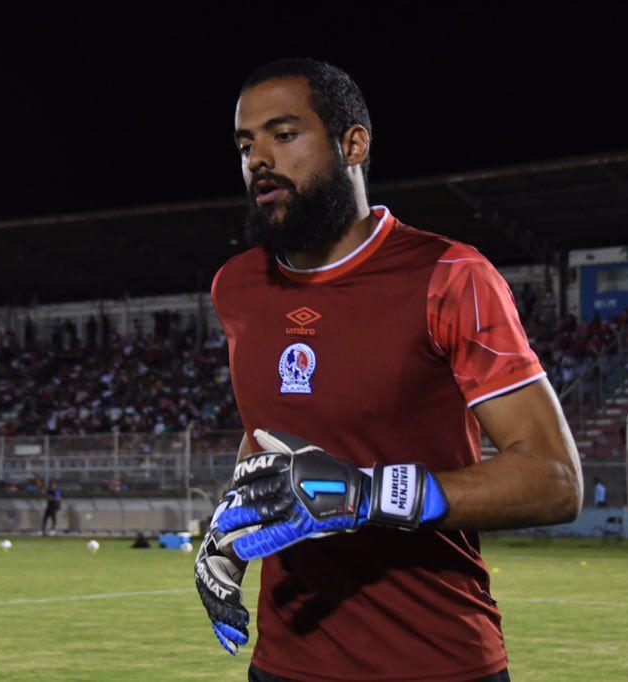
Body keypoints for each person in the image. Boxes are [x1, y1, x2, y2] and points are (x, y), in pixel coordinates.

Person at [195, 59, 582, 682]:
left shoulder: (451, 276)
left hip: (436, 660)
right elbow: (264, 440)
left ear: (354, 143)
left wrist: (368, 495)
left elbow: (555, 479)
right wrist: (225, 542)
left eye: (283, 134)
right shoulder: (235, 287)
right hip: (286, 665)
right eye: (246, 145)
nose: (258, 160)